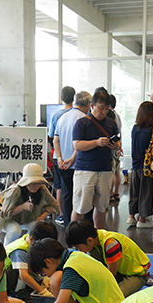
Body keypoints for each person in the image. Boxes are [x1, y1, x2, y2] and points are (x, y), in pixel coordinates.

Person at [27, 238, 124, 303]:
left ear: (48, 262)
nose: (47, 276)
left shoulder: (71, 268)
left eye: (43, 272)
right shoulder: (75, 255)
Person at [71, 91, 121, 228]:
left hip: (105, 169)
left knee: (102, 206)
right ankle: (74, 238)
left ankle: (98, 235)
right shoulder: (81, 123)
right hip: (85, 170)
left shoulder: (111, 123)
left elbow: (118, 143)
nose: (103, 112)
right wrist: (96, 143)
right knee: (80, 206)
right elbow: (77, 145)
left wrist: (115, 145)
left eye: (106, 109)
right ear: (92, 106)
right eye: (100, 108)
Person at [65, 220, 150, 297]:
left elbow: (111, 275)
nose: (80, 250)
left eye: (79, 247)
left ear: (89, 240)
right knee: (91, 256)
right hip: (120, 269)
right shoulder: (96, 237)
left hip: (137, 274)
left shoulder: (110, 243)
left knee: (115, 297)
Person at [53, 90, 90, 224]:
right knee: (80, 198)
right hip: (78, 164)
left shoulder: (62, 117)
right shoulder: (83, 119)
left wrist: (60, 159)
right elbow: (80, 144)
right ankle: (80, 227)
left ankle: (68, 224)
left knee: (67, 195)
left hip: (63, 165)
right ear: (87, 104)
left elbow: (55, 140)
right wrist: (72, 159)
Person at [0, 163, 58, 245]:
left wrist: (42, 216)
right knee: (15, 230)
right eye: (32, 183)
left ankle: (29, 249)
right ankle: (6, 251)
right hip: (10, 220)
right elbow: (5, 214)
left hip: (28, 220)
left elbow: (54, 205)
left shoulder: (42, 189)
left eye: (38, 183)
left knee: (36, 227)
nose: (35, 186)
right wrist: (22, 207)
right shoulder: (15, 190)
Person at [4, 221, 57, 299]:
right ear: (32, 240)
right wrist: (43, 291)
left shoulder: (30, 239)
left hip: (17, 274)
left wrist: (42, 280)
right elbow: (23, 276)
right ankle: (19, 292)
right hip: (5, 278)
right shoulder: (20, 250)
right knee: (25, 266)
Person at [128, 101, 153, 228]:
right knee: (146, 192)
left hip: (135, 165)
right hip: (147, 167)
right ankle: (142, 219)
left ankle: (131, 217)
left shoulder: (135, 128)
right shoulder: (152, 130)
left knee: (134, 192)